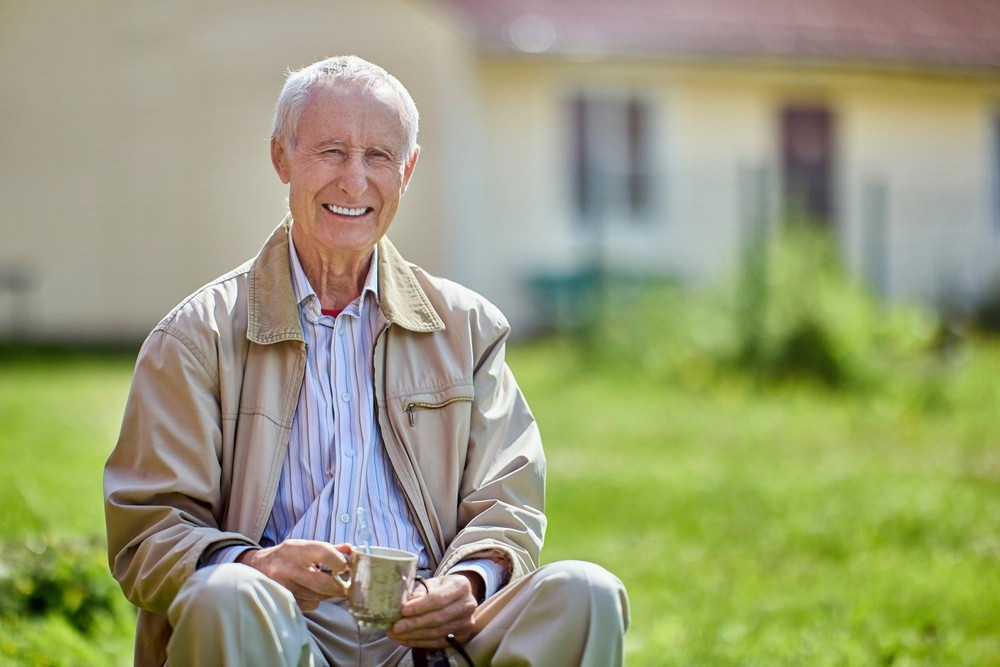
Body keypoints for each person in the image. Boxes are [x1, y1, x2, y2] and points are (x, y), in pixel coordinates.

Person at [104, 55, 629, 667]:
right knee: (227, 594)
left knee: (586, 592)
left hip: (434, 642)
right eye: (331, 152)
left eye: (379, 156)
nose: (354, 182)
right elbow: (149, 532)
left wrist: (469, 583)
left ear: (408, 169)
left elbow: (507, 503)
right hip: (276, 632)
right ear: (281, 157)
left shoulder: (468, 328)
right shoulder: (197, 336)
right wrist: (256, 564)